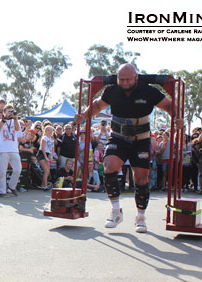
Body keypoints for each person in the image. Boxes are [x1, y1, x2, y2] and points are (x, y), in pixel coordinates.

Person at [75, 63, 183, 233]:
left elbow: (169, 106)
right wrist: (83, 115)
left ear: (136, 77)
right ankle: (116, 211)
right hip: (118, 136)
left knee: (141, 179)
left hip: (141, 139)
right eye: (121, 79)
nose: (124, 83)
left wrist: (177, 117)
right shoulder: (111, 91)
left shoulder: (148, 91)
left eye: (128, 79)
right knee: (109, 166)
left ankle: (140, 217)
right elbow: (96, 106)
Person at [0, 105, 21, 197]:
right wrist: (5, 119)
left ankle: (12, 186)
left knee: (18, 169)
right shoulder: (0, 120)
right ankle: (2, 191)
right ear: (4, 112)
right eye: (9, 111)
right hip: (3, 150)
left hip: (14, 149)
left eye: (12, 111)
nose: (11, 113)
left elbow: (18, 129)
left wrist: (14, 119)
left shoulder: (15, 120)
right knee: (2, 171)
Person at [36, 125, 55, 189]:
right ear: (46, 131)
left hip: (47, 154)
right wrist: (45, 157)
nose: (50, 131)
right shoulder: (44, 138)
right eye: (48, 130)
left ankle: (42, 185)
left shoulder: (52, 139)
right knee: (46, 171)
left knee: (47, 171)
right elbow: (43, 148)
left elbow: (52, 148)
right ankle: (45, 185)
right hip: (42, 154)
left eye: (51, 130)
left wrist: (51, 156)